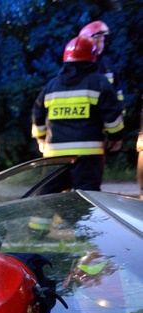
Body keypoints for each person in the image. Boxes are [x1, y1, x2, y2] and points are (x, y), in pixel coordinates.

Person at [31, 36, 123, 192]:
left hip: (54, 154)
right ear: (92, 58)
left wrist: (41, 139)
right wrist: (115, 138)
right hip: (87, 154)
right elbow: (112, 117)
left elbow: (37, 115)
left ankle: (43, 218)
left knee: (47, 200)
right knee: (86, 200)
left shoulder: (52, 86)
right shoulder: (99, 83)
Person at [78, 21, 124, 109]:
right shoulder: (78, 64)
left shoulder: (107, 63)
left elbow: (117, 89)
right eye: (96, 40)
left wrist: (120, 109)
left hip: (107, 114)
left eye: (102, 41)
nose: (100, 45)